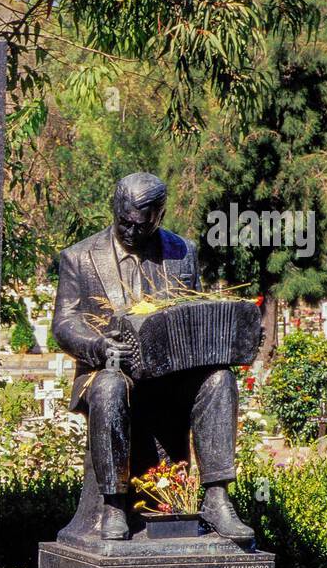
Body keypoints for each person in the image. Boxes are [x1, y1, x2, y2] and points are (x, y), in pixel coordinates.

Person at [51, 172, 255, 543]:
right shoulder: (79, 257)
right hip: (109, 369)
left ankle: (216, 497)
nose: (130, 232)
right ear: (114, 209)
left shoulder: (182, 251)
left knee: (219, 379)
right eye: (124, 222)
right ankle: (114, 505)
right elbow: (64, 321)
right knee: (111, 387)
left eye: (140, 226)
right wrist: (98, 346)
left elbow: (189, 313)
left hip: (169, 374)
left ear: (159, 217)